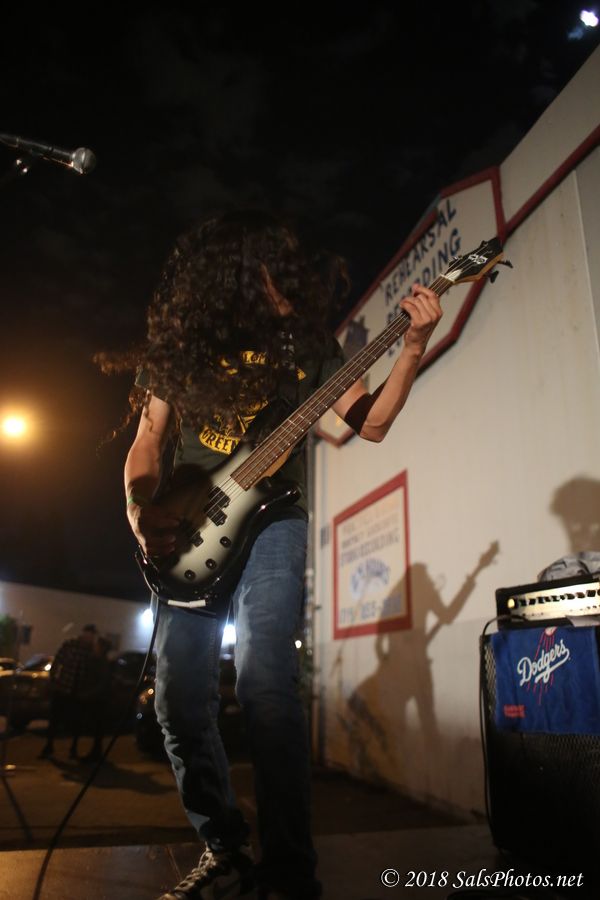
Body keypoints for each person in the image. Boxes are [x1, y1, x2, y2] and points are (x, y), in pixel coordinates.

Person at [119, 210, 442, 900]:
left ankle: (290, 870)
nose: (281, 286)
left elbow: (370, 424)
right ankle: (224, 846)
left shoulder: (310, 347)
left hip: (274, 520)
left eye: (284, 274)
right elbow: (147, 442)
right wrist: (140, 511)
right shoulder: (183, 347)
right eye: (265, 273)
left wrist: (413, 345)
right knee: (178, 699)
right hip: (189, 528)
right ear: (230, 278)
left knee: (267, 681)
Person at [39, 623, 97, 760]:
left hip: (78, 691)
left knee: (76, 722)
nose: (90, 638)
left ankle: (73, 748)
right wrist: (53, 679)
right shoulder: (70, 645)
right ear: (84, 634)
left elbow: (90, 671)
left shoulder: (90, 650)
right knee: (54, 719)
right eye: (89, 635)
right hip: (63, 687)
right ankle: (49, 746)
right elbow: (57, 661)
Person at [79, 635, 114, 762]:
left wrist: (89, 694)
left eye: (97, 645)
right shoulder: (99, 661)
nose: (95, 647)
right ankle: (96, 753)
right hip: (98, 698)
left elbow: (102, 683)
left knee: (98, 728)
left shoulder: (102, 663)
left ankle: (96, 754)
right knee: (97, 729)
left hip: (99, 700)